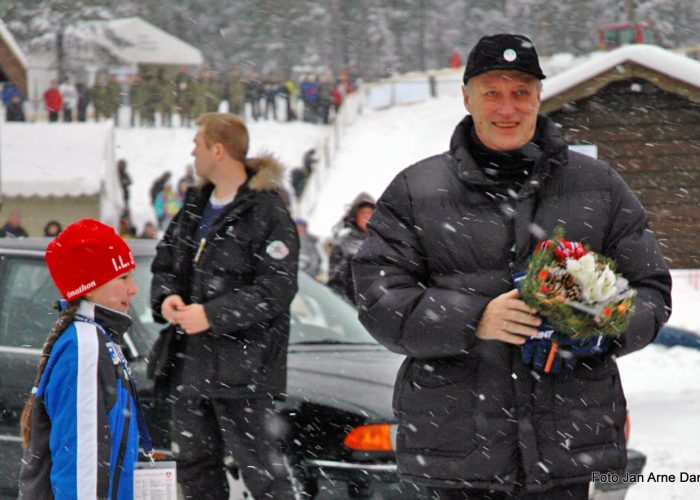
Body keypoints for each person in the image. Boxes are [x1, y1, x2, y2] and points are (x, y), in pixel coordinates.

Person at [352, 33, 672, 499]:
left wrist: (604, 320)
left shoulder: (599, 186)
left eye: (521, 92)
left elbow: (652, 291)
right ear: (466, 98)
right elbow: (378, 299)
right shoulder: (415, 190)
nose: (508, 108)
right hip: (455, 457)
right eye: (492, 93)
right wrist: (474, 318)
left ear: (539, 97)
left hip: (573, 452)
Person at [149, 112, 299, 499]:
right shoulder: (195, 205)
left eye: (197, 144)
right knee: (195, 470)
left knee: (264, 475)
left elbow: (276, 289)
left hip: (244, 372)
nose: (192, 152)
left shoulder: (267, 212)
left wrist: (212, 316)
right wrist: (167, 298)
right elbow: (165, 262)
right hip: (189, 367)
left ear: (218, 150)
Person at [18, 218, 145, 499]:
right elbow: (81, 465)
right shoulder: (86, 347)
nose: (133, 288)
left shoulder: (98, 339)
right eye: (123, 277)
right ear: (90, 285)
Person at [327, 192, 374, 303]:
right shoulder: (343, 243)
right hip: (347, 307)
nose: (367, 216)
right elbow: (335, 282)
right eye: (363, 212)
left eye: (370, 213)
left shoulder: (382, 244)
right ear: (355, 215)